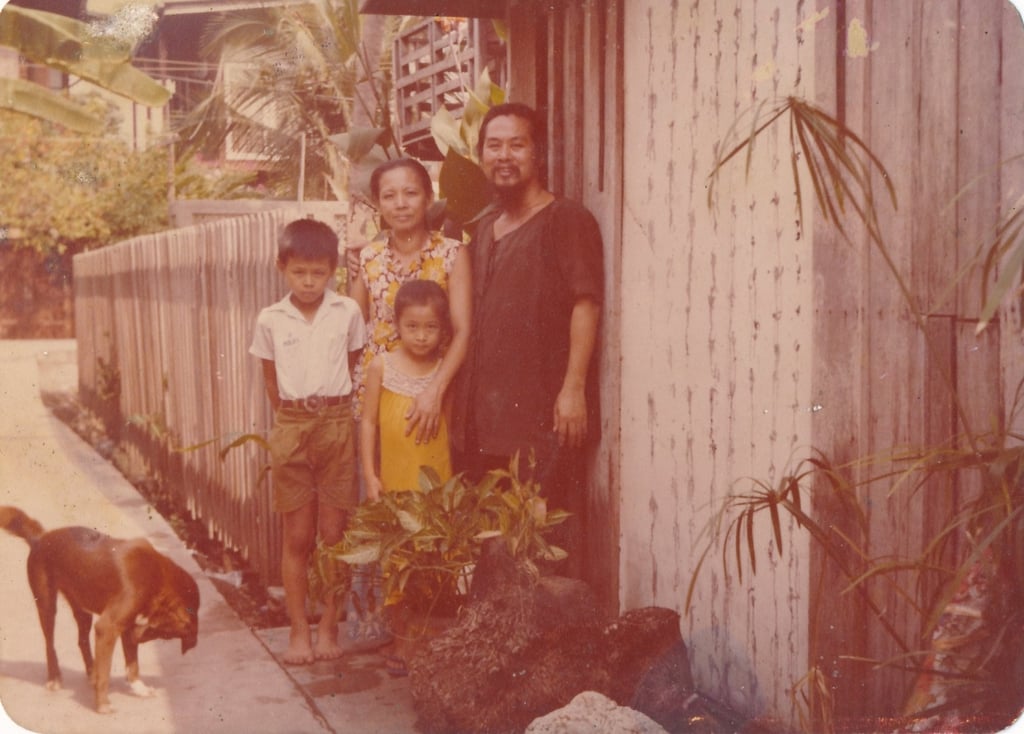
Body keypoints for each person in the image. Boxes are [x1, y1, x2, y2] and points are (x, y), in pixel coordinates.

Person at [451, 102, 604, 575]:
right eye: (494, 145)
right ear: (480, 157)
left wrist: (573, 388)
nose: (504, 155)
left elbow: (586, 302)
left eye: (517, 144)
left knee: (540, 551)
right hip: (483, 425)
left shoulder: (565, 219)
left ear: (538, 155)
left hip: (541, 423)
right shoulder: (483, 231)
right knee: (493, 551)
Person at [249, 217, 366, 664]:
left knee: (334, 534)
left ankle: (328, 627)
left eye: (319, 273)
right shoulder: (271, 319)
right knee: (297, 537)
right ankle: (298, 631)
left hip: (336, 423)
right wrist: (292, 422)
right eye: (300, 273)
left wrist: (328, 413)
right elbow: (271, 380)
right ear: (282, 267)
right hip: (293, 426)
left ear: (333, 270)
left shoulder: (347, 312)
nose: (310, 282)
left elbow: (353, 363)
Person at [349, 158, 471, 443]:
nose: (400, 203)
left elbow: (463, 331)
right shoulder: (368, 257)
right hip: (375, 391)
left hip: (432, 391)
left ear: (429, 198)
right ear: (378, 205)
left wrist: (436, 391)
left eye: (411, 193)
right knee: (377, 480)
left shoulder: (452, 254)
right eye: (389, 196)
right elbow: (353, 333)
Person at [359, 279, 453, 499]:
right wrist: (369, 474)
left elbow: (449, 430)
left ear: (442, 328)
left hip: (437, 474)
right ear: (397, 324)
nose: (421, 336)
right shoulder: (381, 366)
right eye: (412, 326)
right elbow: (368, 422)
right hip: (395, 475)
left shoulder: (444, 371)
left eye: (431, 327)